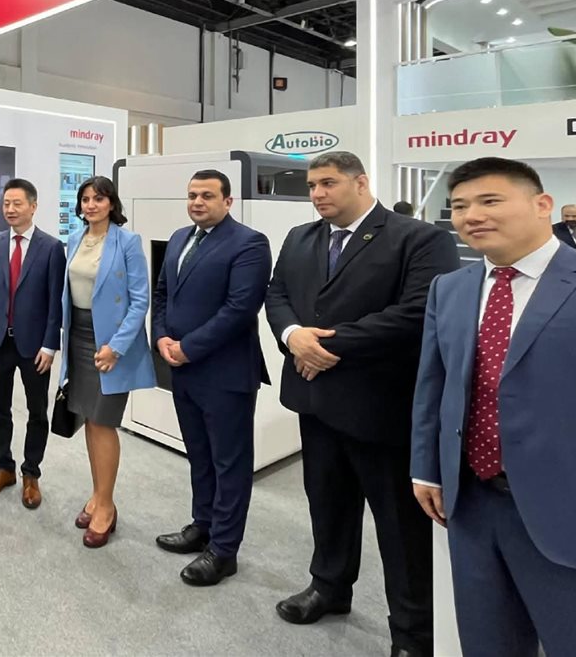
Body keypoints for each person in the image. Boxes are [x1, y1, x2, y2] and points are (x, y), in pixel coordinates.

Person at [266, 151, 458, 657]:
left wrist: (324, 347)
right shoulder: (300, 237)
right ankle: (329, 587)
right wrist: (292, 335)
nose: (317, 194)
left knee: (400, 528)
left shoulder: (419, 239)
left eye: (328, 183)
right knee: (327, 504)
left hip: (380, 409)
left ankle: (413, 633)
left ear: (361, 182)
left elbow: (417, 312)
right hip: (315, 402)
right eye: (312, 185)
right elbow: (277, 295)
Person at [411, 158, 576, 657]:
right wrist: (426, 467)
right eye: (459, 206)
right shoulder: (450, 288)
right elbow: (434, 384)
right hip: (472, 502)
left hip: (572, 505)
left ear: (542, 205)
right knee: (487, 642)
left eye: (490, 201)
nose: (471, 216)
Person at [152, 170, 272, 585]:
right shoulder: (179, 239)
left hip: (225, 373)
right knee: (199, 454)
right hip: (183, 370)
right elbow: (162, 294)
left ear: (228, 201)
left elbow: (239, 310)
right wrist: (161, 337)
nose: (197, 202)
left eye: (207, 195)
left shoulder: (249, 243)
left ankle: (224, 549)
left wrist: (188, 347)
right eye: (192, 195)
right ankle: (202, 525)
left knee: (229, 463)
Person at [61, 175, 154, 548]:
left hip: (111, 345)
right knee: (89, 420)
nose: (91, 205)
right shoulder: (74, 239)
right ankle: (98, 494)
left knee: (103, 422)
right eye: (86, 199)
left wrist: (116, 346)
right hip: (78, 338)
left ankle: (106, 506)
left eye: (98, 199)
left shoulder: (128, 242)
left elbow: (140, 299)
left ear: (111, 204)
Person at [0, 178, 64, 508]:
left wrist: (50, 345)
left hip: (34, 347)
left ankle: (31, 474)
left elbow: (55, 301)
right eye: (6, 204)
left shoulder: (51, 247)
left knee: (37, 411)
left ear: (33, 206)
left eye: (17, 203)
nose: (10, 209)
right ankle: (3, 467)